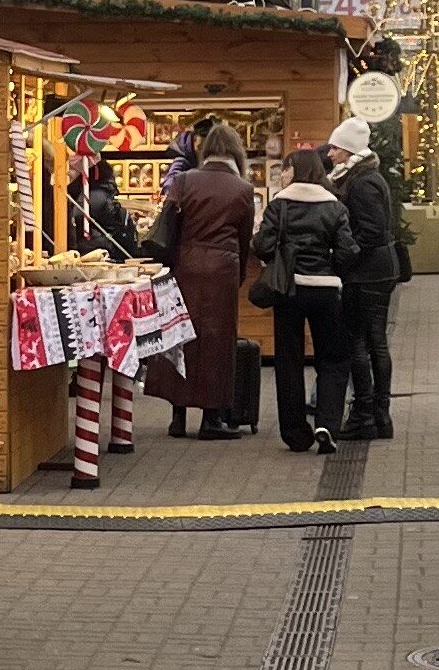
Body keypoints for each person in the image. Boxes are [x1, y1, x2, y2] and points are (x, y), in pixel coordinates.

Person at [151, 121, 256, 441]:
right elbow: (244, 238)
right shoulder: (243, 189)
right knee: (217, 342)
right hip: (222, 270)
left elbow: (170, 227)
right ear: (236, 152)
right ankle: (211, 419)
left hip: (186, 265)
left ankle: (177, 417)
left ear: (205, 148)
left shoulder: (184, 181)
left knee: (180, 336)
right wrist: (238, 274)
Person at [251, 146, 358, 452]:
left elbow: (263, 245)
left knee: (288, 360)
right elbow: (348, 251)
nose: (282, 174)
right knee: (333, 358)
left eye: (286, 168)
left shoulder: (279, 205)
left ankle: (295, 434)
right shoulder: (335, 206)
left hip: (289, 290)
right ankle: (327, 424)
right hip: (325, 290)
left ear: (296, 171)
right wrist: (332, 268)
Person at [327, 113, 401, 440]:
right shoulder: (364, 176)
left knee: (362, 342)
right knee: (374, 341)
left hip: (367, 274)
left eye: (335, 148)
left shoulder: (361, 182)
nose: (330, 153)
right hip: (376, 270)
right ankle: (378, 415)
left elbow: (371, 231)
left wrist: (343, 256)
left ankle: (366, 413)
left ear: (349, 150)